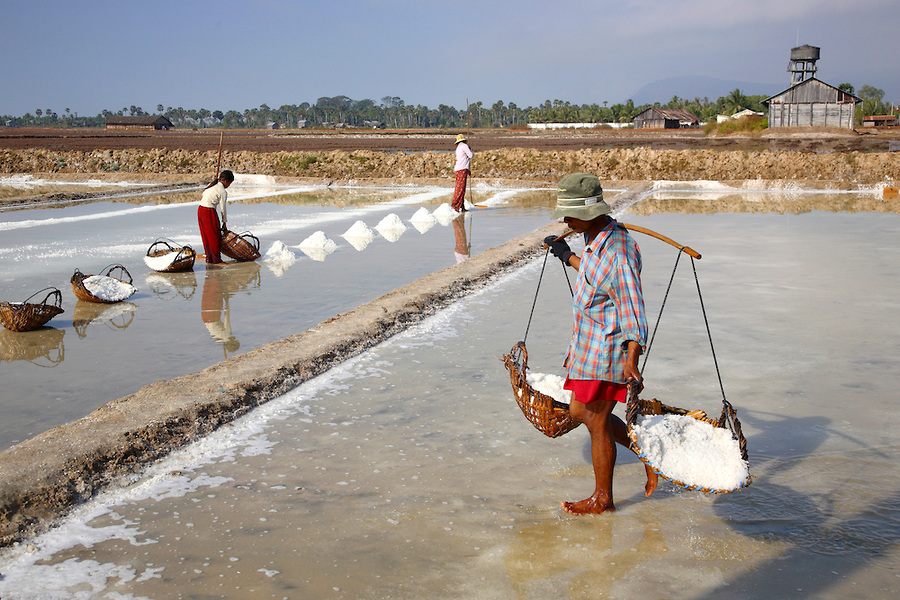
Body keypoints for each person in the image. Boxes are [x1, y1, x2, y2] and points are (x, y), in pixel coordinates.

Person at [543, 173, 658, 515]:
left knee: (595, 421)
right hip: (587, 344)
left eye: (570, 213)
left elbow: (633, 309)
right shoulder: (595, 239)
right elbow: (595, 277)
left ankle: (602, 499)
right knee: (581, 412)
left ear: (591, 213)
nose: (564, 220)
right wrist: (565, 256)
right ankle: (647, 456)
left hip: (608, 347)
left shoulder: (619, 251)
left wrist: (632, 360)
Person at [198, 169, 234, 265]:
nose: (228, 186)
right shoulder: (222, 191)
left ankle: (209, 258)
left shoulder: (212, 186)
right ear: (226, 181)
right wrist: (224, 222)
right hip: (208, 211)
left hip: (201, 210)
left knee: (206, 235)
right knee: (214, 235)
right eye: (229, 183)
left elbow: (204, 195)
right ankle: (216, 260)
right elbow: (223, 208)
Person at [452, 134, 473, 212]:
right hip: (462, 169)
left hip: (458, 169)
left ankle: (461, 206)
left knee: (460, 187)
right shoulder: (464, 146)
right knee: (460, 189)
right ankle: (456, 206)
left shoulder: (458, 147)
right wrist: (469, 149)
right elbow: (470, 155)